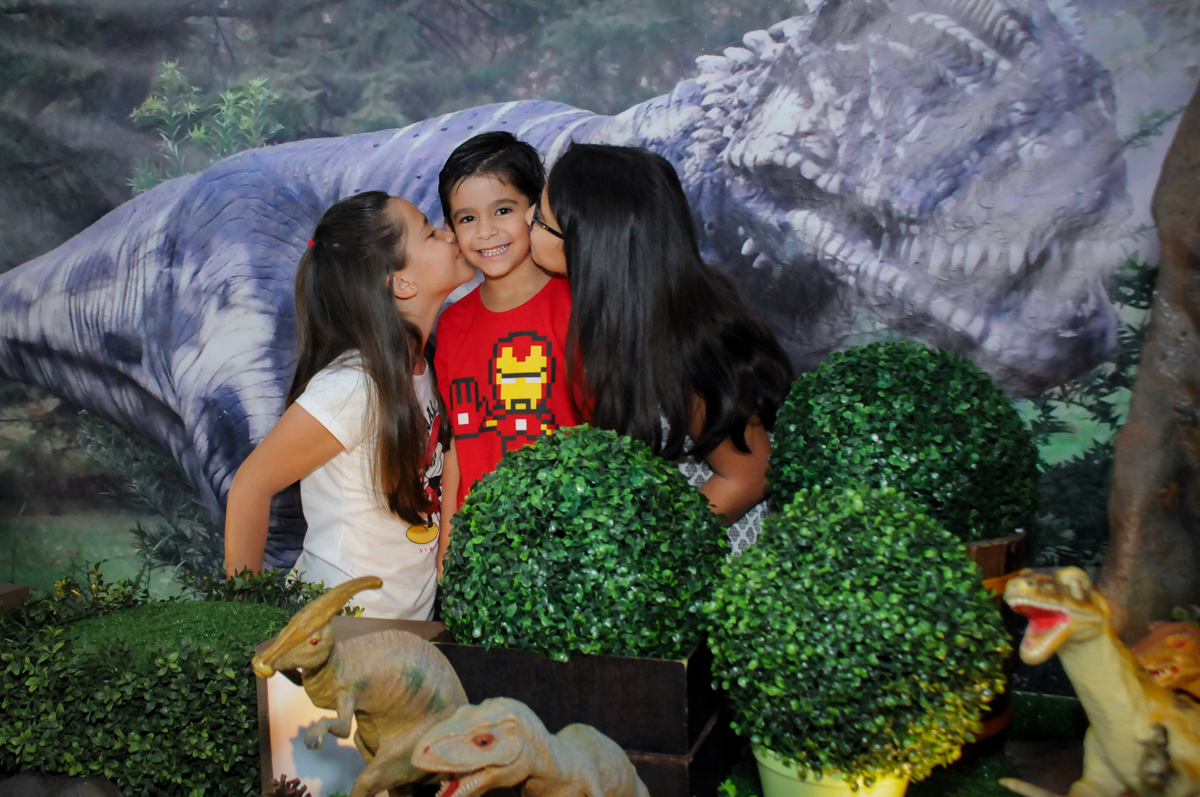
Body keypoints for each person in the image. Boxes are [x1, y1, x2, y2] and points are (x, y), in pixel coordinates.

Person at [525, 143, 794, 554]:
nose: (528, 219)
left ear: (589, 245)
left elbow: (750, 475)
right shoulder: (630, 317)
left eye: (541, 219)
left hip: (722, 562)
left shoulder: (687, 339)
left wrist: (657, 553)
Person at [224, 190, 474, 619]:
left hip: (403, 636)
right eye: (431, 233)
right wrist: (244, 619)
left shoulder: (425, 367)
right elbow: (251, 486)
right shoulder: (352, 387)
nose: (451, 235)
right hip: (334, 637)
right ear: (401, 282)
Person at [433, 131, 582, 575]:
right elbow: (461, 438)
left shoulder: (577, 305)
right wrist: (447, 550)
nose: (486, 232)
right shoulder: (452, 323)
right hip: (481, 556)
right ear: (452, 229)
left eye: (503, 210)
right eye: (466, 218)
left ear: (536, 211)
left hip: (566, 548)